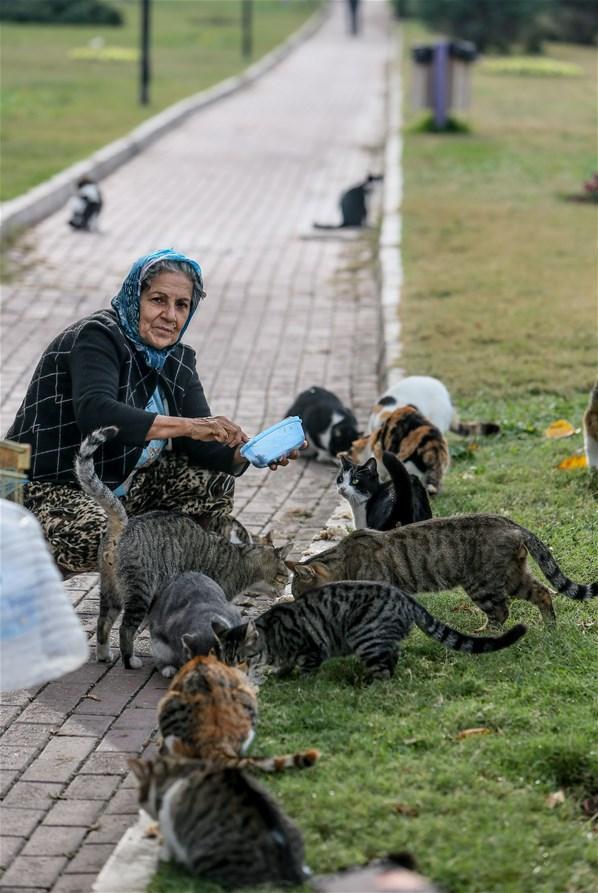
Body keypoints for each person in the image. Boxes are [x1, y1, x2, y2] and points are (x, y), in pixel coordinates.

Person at [5, 248, 302, 575]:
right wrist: (189, 426)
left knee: (211, 480)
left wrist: (248, 453)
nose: (171, 316)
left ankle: (173, 573)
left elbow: (202, 447)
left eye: (182, 305)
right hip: (47, 487)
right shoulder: (98, 337)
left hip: (115, 489)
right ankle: (21, 568)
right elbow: (97, 413)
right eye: (158, 300)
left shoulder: (176, 361)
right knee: (112, 540)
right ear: (136, 297)